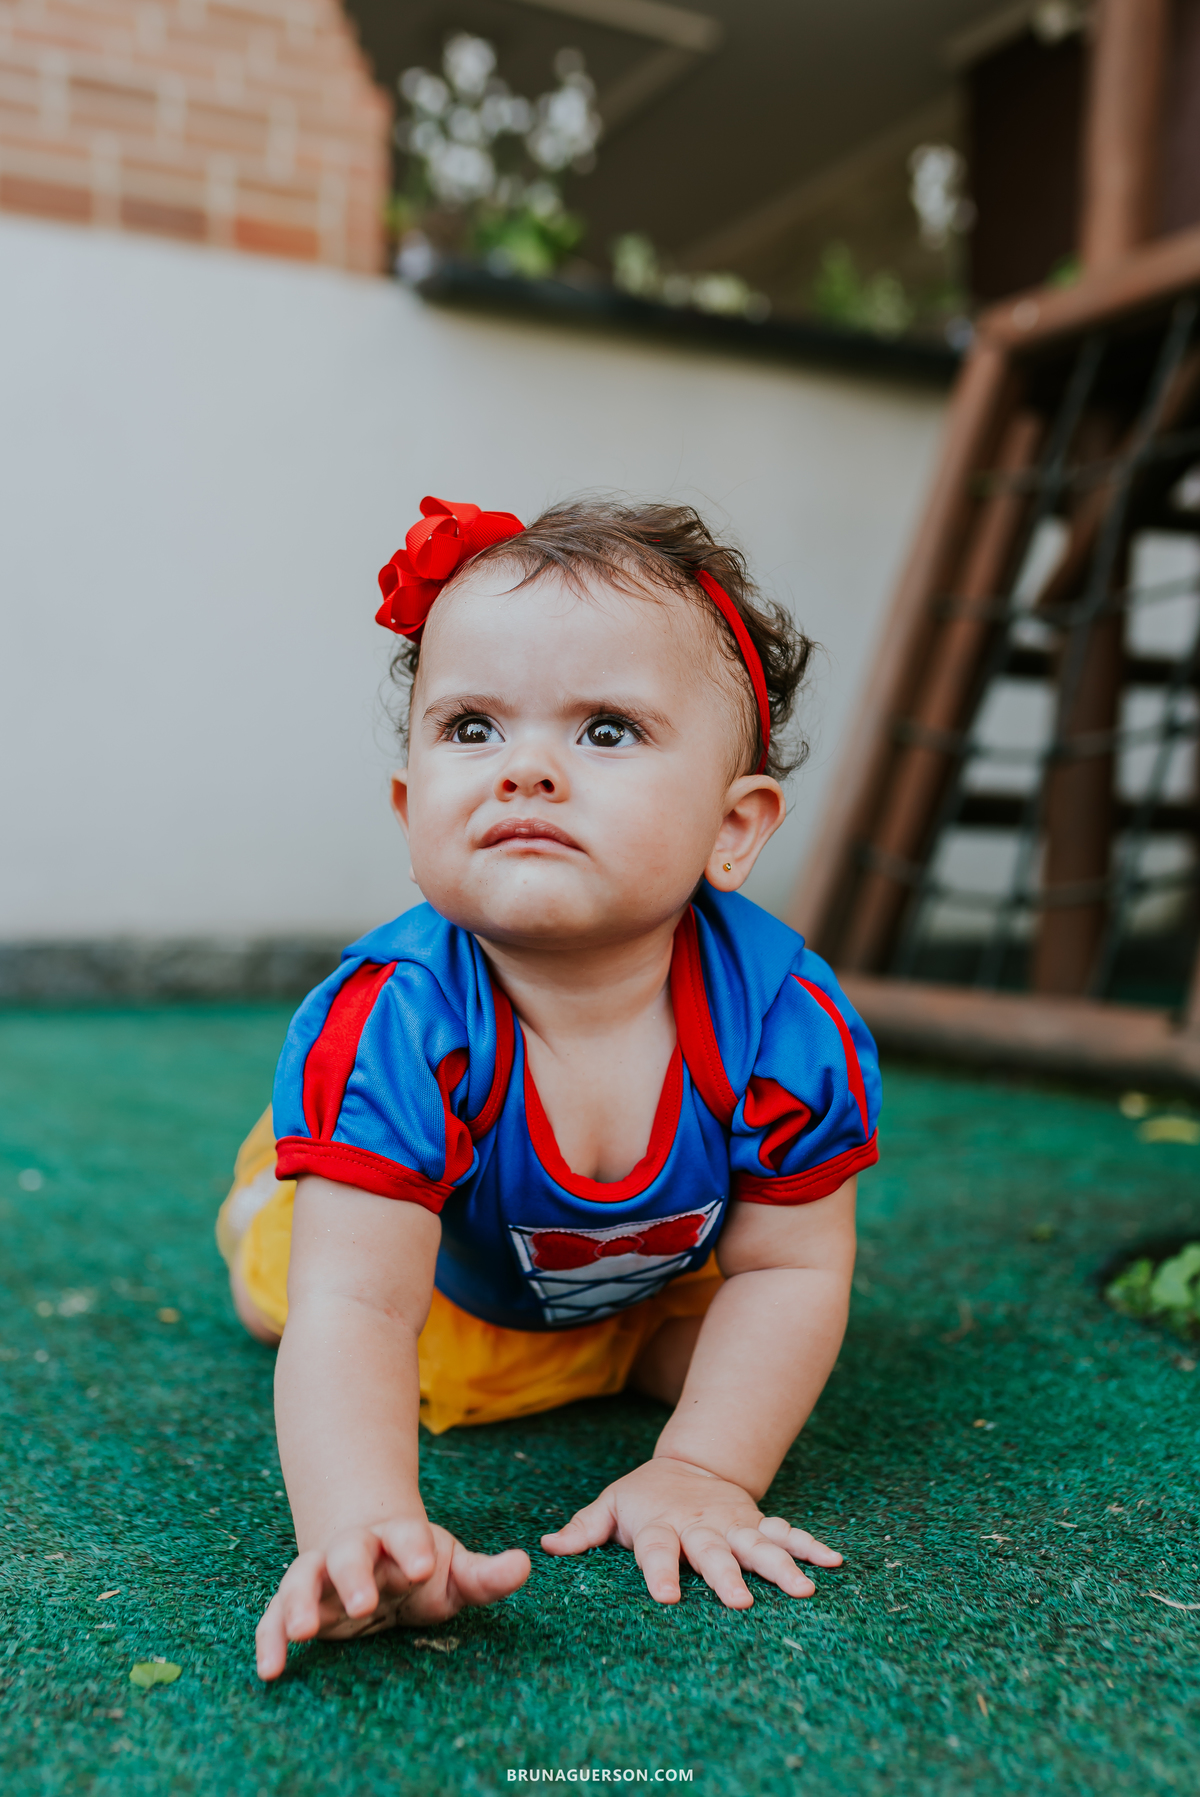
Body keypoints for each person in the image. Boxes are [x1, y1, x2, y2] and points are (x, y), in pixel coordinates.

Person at [218, 496, 880, 1683]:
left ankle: (610, 1347)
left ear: (735, 831)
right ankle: (294, 1167)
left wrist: (704, 1469)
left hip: (643, 1276)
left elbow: (794, 1267)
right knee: (295, 1292)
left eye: (608, 732)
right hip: (453, 1293)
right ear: (411, 808)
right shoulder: (399, 1024)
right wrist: (358, 1529)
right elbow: (359, 1312)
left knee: (739, 1344)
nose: (524, 767)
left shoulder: (786, 1025)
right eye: (471, 728)